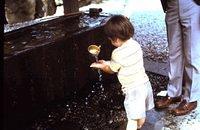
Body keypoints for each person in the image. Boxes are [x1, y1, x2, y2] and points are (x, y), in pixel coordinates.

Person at [90, 15, 154, 130]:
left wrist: (101, 66)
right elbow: (124, 62)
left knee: (132, 119)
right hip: (145, 85)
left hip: (133, 90)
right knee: (140, 113)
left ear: (116, 39)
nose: (110, 42)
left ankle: (136, 126)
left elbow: (111, 69)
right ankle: (140, 125)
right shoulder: (135, 45)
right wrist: (107, 62)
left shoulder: (117, 53)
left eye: (110, 39)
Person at [156, 0, 200, 116]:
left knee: (192, 54)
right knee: (174, 52)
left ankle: (191, 98)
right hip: (171, 4)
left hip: (193, 3)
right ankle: (173, 92)